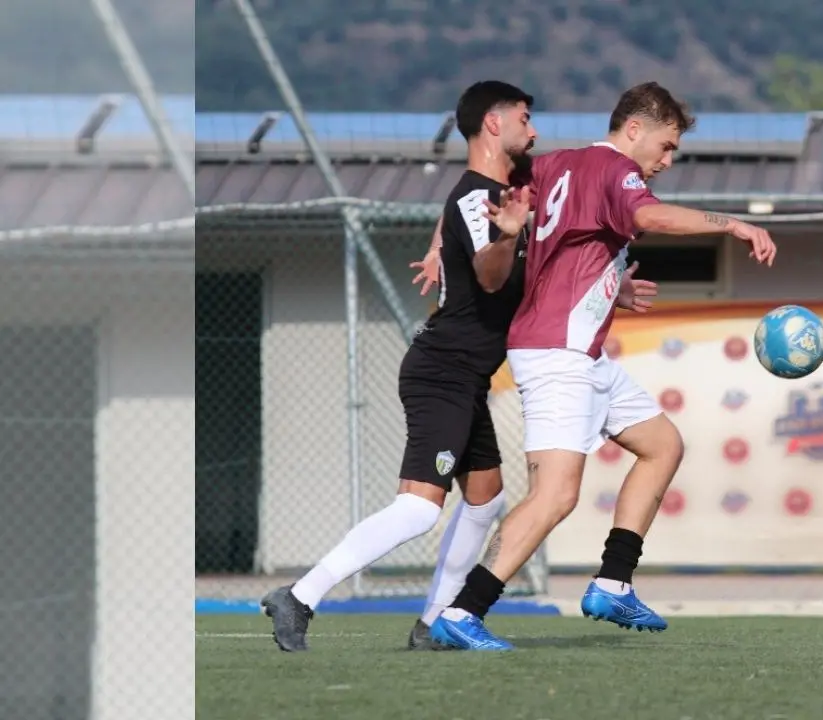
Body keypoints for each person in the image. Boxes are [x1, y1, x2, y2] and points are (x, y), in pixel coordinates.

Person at [260, 80, 657, 652]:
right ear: (493, 124)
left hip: (466, 377)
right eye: (525, 117)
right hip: (441, 370)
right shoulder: (482, 200)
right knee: (420, 509)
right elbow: (492, 273)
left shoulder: (505, 192)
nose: (535, 130)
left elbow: (506, 257)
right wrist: (504, 237)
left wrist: (603, 286)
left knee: (487, 498)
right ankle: (299, 596)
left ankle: (435, 622)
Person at [429, 81, 777, 651]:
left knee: (663, 444)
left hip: (579, 350)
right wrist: (732, 224)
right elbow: (653, 217)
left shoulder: (557, 165)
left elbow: (482, 196)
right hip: (556, 353)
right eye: (665, 147)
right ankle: (465, 611)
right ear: (634, 129)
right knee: (556, 497)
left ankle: (614, 580)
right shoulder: (618, 172)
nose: (666, 161)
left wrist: (437, 241)